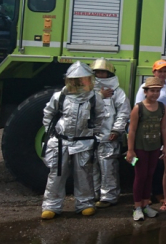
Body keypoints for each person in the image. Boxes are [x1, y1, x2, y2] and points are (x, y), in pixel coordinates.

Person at [41, 62, 105, 220]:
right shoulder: (60, 96)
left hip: (83, 142)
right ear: (69, 81)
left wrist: (94, 135)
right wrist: (51, 134)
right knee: (56, 174)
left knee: (83, 174)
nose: (79, 83)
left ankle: (85, 204)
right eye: (76, 80)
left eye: (83, 79)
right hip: (61, 142)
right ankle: (51, 206)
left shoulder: (94, 98)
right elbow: (48, 114)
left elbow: (100, 118)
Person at [126, 76, 166, 221]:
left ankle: (146, 204)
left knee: (150, 175)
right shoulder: (139, 108)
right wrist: (130, 150)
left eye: (157, 91)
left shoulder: (162, 107)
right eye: (152, 91)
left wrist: (165, 147)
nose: (155, 94)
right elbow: (131, 130)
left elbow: (163, 128)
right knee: (140, 176)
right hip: (140, 147)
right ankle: (137, 207)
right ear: (145, 91)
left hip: (154, 146)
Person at [91, 58, 130, 208]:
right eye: (97, 72)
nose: (100, 75)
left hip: (109, 137)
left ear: (109, 74)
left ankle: (109, 196)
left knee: (108, 168)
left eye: (103, 72)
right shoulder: (89, 92)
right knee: (91, 167)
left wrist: (116, 130)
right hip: (90, 137)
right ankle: (94, 194)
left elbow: (123, 112)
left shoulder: (118, 93)